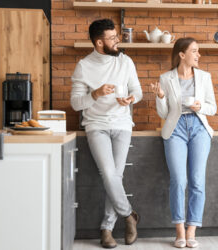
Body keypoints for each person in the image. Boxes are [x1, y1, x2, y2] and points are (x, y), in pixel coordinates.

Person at [70, 18, 142, 249]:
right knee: (109, 173)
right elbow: (75, 104)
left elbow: (137, 90)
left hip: (122, 124)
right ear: (99, 42)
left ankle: (107, 229)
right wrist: (95, 94)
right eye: (112, 38)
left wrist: (131, 99)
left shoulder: (125, 61)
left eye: (116, 36)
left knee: (115, 177)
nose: (117, 40)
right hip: (96, 125)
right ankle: (129, 215)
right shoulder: (83, 66)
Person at [150, 37, 217, 248]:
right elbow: (163, 112)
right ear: (182, 54)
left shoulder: (205, 77)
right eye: (195, 51)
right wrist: (160, 96)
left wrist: (200, 107)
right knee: (179, 180)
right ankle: (179, 230)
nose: (198, 55)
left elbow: (212, 108)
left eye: (198, 51)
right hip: (175, 128)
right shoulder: (166, 78)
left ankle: (191, 231)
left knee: (197, 180)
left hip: (199, 127)